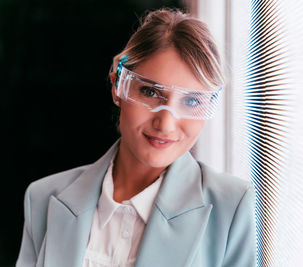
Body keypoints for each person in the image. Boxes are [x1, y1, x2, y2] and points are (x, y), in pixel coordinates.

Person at [16, 8, 256, 267]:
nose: (165, 123)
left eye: (191, 100)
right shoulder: (42, 198)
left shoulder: (231, 206)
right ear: (117, 87)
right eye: (150, 92)